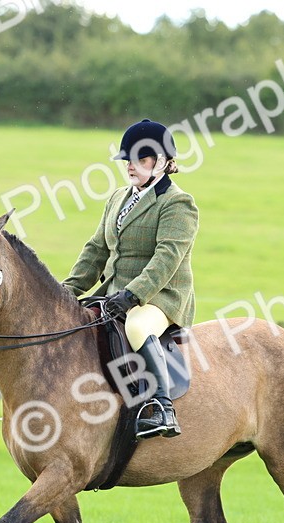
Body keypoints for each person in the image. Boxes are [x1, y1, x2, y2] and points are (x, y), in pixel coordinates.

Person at [63, 118, 199, 440]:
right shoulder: (118, 198)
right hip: (114, 294)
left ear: (164, 163)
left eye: (140, 160)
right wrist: (66, 291)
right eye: (128, 160)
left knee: (136, 326)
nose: (130, 167)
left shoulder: (178, 204)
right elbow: (97, 249)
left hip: (161, 298)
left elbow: (166, 258)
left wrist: (134, 294)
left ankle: (162, 408)